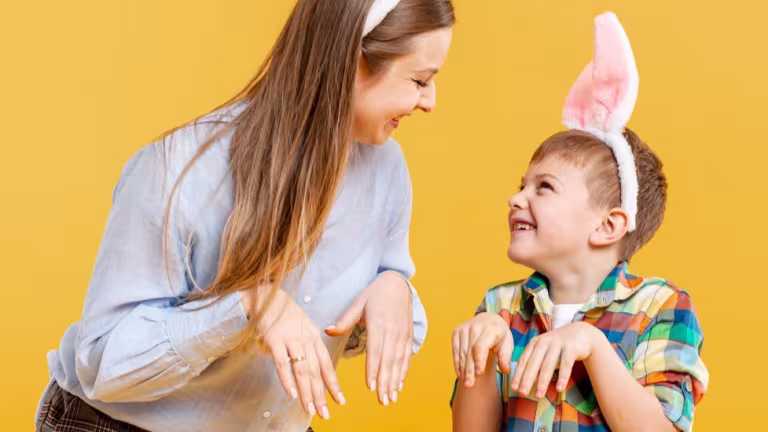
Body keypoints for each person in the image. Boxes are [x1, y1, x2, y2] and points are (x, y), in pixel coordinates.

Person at [35, 0, 455, 431]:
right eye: (420, 80)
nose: (430, 102)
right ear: (349, 62)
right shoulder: (180, 171)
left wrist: (393, 289)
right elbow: (100, 365)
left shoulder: (387, 171)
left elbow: (334, 329)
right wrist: (248, 306)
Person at [450, 12, 708, 431]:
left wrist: (593, 347)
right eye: (522, 185)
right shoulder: (500, 309)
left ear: (608, 225)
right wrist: (477, 361)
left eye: (544, 187)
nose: (515, 199)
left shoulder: (661, 307)